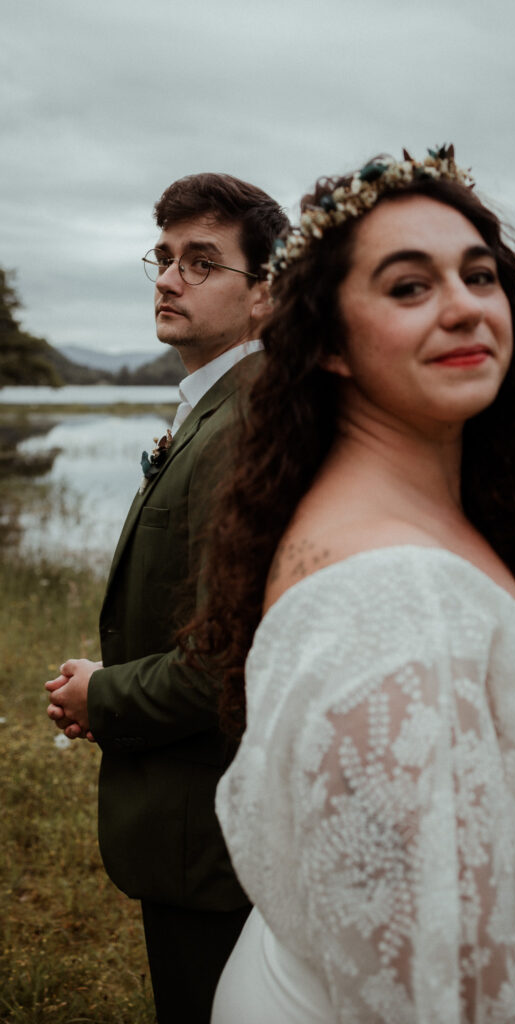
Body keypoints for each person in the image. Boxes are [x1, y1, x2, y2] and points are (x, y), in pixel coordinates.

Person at [184, 147, 515, 1023]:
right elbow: (433, 989)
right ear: (326, 343)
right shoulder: (386, 600)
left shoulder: (440, 513)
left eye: (478, 275)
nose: (464, 307)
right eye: (407, 287)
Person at [44, 172, 289, 1024]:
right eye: (163, 257)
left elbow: (236, 661)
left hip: (214, 836)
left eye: (199, 262)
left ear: (264, 295)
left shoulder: (248, 428)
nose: (166, 278)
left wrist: (100, 695)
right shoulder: (214, 409)